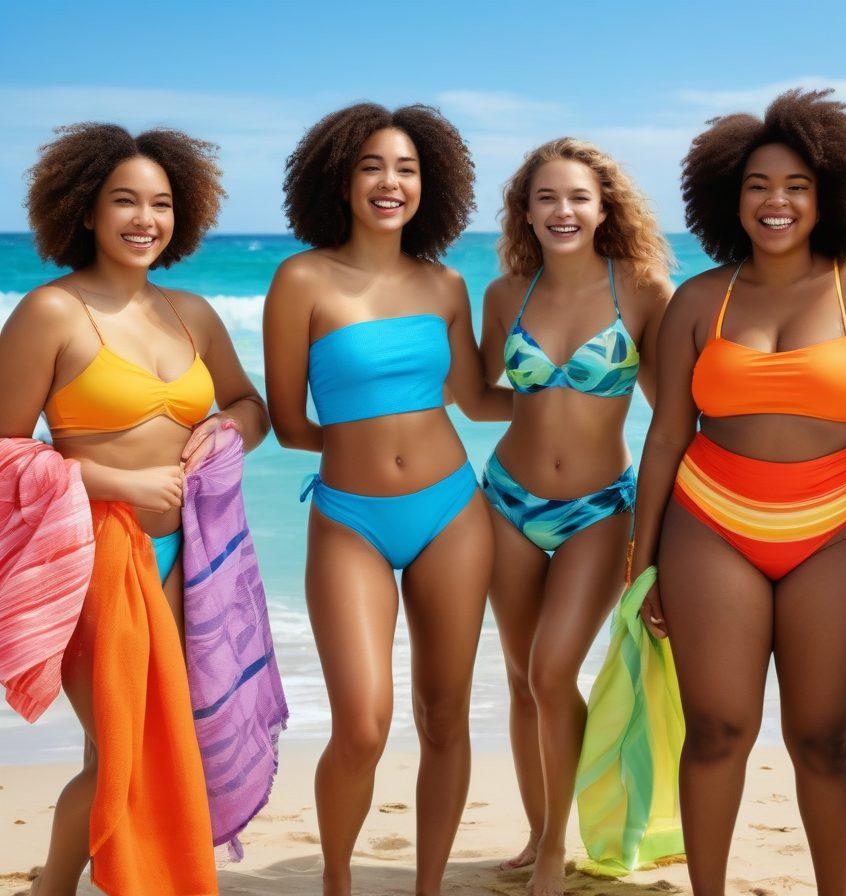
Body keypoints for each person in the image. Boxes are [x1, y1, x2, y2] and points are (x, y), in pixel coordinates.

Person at [629, 88, 846, 895]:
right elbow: (665, 436)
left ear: (829, 194)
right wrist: (641, 560)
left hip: (840, 532)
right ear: (732, 197)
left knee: (824, 738)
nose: (777, 201)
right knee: (719, 729)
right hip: (710, 526)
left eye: (797, 185)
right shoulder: (700, 299)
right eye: (759, 185)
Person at [0, 123, 269, 895]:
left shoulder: (193, 313)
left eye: (161, 204)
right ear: (86, 210)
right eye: (125, 201)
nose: (144, 219)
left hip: (191, 557)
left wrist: (223, 428)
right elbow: (4, 450)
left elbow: (251, 406)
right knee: (123, 748)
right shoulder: (52, 312)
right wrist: (117, 484)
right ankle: (58, 886)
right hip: (92, 559)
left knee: (155, 742)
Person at [263, 102, 511, 896]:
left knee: (445, 717)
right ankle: (338, 880)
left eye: (406, 169)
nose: (390, 182)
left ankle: (427, 887)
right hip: (350, 519)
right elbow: (290, 421)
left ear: (426, 186)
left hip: (452, 512)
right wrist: (363, 447)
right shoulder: (301, 277)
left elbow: (475, 400)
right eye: (373, 166)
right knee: (363, 724)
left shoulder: (445, 284)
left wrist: (576, 393)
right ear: (340, 179)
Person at [478, 138, 673, 894]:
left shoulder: (643, 289)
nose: (563, 211)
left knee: (556, 672)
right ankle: (537, 832)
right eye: (546, 198)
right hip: (506, 500)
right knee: (524, 676)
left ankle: (560, 846)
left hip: (599, 508)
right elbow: (472, 395)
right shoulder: (506, 294)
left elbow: (667, 416)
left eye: (578, 198)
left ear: (603, 208)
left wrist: (667, 535)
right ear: (525, 211)